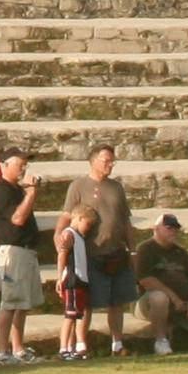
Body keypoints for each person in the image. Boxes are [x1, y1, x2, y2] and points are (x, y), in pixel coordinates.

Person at [66, 145, 138, 356]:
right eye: (106, 160)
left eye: (112, 161)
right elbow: (67, 216)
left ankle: (117, 344)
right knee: (86, 303)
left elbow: (125, 221)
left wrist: (132, 250)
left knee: (117, 302)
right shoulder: (78, 186)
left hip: (116, 252)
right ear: (93, 161)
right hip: (89, 254)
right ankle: (80, 345)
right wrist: (62, 238)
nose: (110, 164)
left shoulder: (116, 187)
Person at [0, 146, 46, 364]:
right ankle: (3, 352)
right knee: (10, 302)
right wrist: (30, 193)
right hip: (12, 251)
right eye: (20, 164)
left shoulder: (15, 189)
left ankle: (18, 348)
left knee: (22, 303)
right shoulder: (2, 190)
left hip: (25, 250)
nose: (23, 169)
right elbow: (17, 219)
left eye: (25, 164)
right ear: (6, 165)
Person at [134, 215, 188, 354]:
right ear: (156, 229)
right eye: (169, 228)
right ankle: (161, 341)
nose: (173, 231)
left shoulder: (181, 252)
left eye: (175, 228)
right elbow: (146, 280)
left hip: (182, 303)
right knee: (159, 297)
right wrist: (174, 298)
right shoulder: (145, 249)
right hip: (150, 303)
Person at [51, 204, 97, 359]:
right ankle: (63, 349)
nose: (88, 228)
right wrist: (60, 277)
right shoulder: (69, 234)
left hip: (79, 281)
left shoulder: (79, 237)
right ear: (79, 218)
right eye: (88, 224)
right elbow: (62, 255)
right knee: (69, 315)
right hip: (72, 279)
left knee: (76, 315)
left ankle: (71, 348)